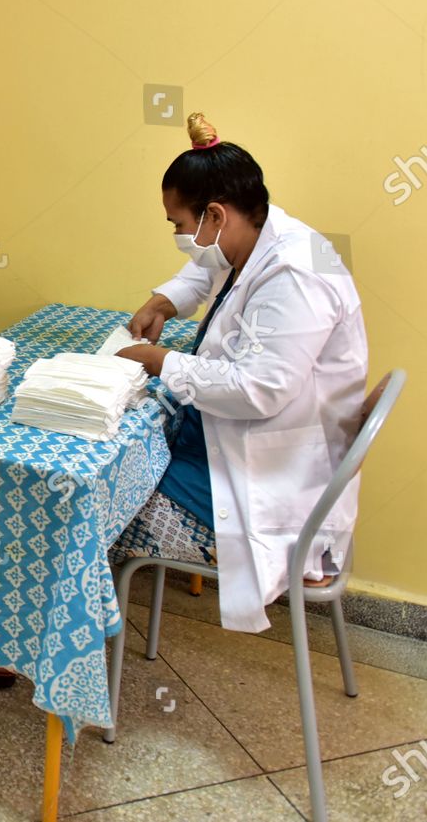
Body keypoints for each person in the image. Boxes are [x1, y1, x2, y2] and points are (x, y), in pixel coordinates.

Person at [111, 112, 368, 632]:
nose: (180, 237)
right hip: (236, 449)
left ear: (214, 215)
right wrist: (165, 301)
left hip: (263, 482)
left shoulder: (296, 273)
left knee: (85, 505)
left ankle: (43, 655)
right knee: (115, 459)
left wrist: (165, 364)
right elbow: (209, 267)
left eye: (180, 225)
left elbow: (261, 390)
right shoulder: (264, 234)